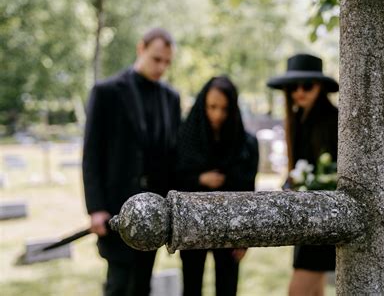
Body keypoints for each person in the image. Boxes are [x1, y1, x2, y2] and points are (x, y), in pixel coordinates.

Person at [82, 27, 181, 296]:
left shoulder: (171, 98)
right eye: (156, 59)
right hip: (115, 208)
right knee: (118, 284)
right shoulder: (106, 92)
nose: (161, 67)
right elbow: (92, 154)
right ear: (141, 48)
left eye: (167, 62)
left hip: (156, 213)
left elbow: (172, 154)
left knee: (142, 286)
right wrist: (96, 207)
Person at [176, 76, 259, 296]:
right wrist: (200, 179)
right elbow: (174, 177)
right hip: (192, 225)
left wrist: (245, 237)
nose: (218, 115)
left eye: (224, 108)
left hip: (230, 227)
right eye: (212, 107)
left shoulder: (246, 144)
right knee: (191, 286)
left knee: (227, 287)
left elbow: (248, 192)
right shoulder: (185, 138)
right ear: (203, 104)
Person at [267, 54, 339, 296]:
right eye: (293, 87)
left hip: (324, 216)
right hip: (306, 216)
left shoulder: (334, 120)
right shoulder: (298, 120)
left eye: (307, 86)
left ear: (320, 87)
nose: (300, 92)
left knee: (297, 291)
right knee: (314, 291)